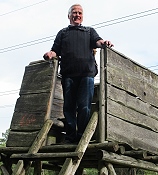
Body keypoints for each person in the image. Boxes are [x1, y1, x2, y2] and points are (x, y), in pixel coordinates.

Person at [44, 4, 113, 144]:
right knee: (69, 107)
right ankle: (70, 137)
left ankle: (81, 136)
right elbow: (55, 50)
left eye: (80, 13)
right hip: (68, 75)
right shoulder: (63, 33)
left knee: (84, 106)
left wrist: (104, 42)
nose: (77, 15)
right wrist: (50, 54)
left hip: (86, 75)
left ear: (82, 16)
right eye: (74, 13)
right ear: (69, 16)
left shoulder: (89, 31)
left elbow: (98, 41)